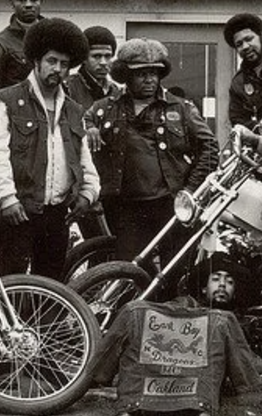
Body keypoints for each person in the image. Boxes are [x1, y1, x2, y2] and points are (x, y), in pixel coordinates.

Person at [0, 18, 101, 280]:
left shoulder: (74, 110)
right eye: (52, 61)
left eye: (64, 65)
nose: (58, 69)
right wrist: (7, 199)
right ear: (36, 61)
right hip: (17, 213)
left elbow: (84, 159)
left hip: (57, 216)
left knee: (51, 286)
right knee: (10, 284)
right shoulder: (5, 101)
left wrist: (88, 193)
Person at [91, 252, 261, 416]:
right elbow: (167, 311)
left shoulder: (230, 320)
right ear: (204, 288)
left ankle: (204, 414)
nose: (222, 284)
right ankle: (128, 408)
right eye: (216, 279)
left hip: (195, 388)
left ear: (235, 291)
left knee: (221, 321)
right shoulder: (185, 302)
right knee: (135, 312)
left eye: (229, 282)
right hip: (162, 368)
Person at [84, 38, 219, 265]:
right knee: (130, 269)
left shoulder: (181, 109)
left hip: (170, 205)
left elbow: (210, 148)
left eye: (154, 73)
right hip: (127, 208)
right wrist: (89, 128)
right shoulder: (106, 107)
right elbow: (80, 121)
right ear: (127, 75)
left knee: (174, 270)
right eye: (141, 74)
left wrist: (190, 191)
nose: (149, 80)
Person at [65, 25, 121, 109]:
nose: (103, 62)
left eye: (108, 56)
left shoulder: (115, 91)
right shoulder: (68, 88)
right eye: (97, 56)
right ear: (83, 58)